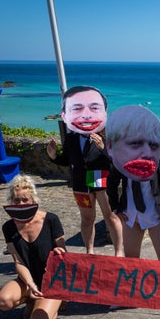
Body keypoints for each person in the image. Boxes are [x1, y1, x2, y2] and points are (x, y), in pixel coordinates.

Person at [46, 85, 123, 256]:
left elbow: (117, 160)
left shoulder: (109, 134)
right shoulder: (72, 136)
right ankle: (90, 252)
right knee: (87, 219)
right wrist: (54, 156)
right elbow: (67, 160)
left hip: (102, 178)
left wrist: (103, 148)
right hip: (81, 182)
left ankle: (119, 252)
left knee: (111, 217)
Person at [106, 105, 160, 261]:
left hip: (157, 214)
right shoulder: (122, 158)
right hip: (131, 215)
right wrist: (115, 207)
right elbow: (111, 183)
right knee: (131, 260)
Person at [0, 174, 67, 319]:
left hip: (51, 281)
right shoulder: (8, 227)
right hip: (28, 280)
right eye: (16, 200)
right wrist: (31, 284)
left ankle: (57, 299)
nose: (21, 204)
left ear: (33, 200)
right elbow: (18, 261)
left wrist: (58, 252)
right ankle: (31, 299)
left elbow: (65, 255)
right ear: (11, 202)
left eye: (25, 200)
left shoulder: (50, 219)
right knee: (3, 301)